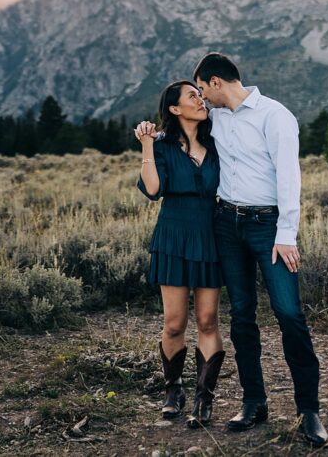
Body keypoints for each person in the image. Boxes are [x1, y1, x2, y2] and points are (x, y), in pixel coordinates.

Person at [192, 52, 328, 447]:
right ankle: (254, 402)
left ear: (217, 82)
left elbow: (289, 176)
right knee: (243, 316)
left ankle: (309, 410)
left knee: (289, 313)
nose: (201, 98)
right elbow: (183, 128)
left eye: (202, 89)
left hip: (269, 227)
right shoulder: (215, 118)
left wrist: (286, 233)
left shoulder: (275, 115)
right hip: (226, 224)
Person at [135, 80, 225, 429]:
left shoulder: (217, 143)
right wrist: (146, 145)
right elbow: (154, 189)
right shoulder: (161, 145)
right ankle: (173, 390)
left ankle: (205, 398)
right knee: (174, 322)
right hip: (173, 235)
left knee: (207, 320)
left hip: (210, 236)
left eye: (201, 94)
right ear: (175, 108)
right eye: (192, 96)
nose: (201, 100)